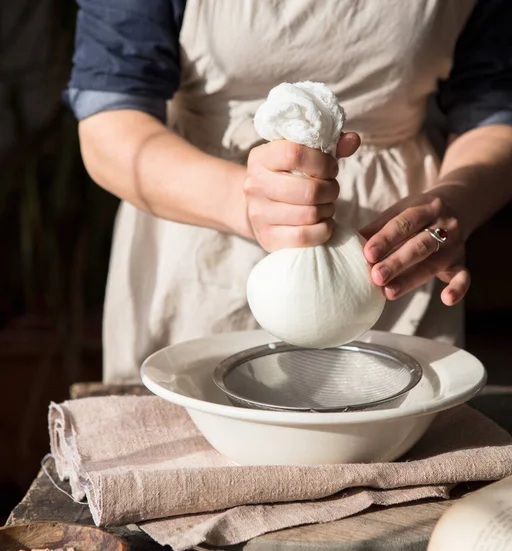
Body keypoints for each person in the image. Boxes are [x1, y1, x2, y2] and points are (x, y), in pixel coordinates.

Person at [67, 0, 512, 383]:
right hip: (198, 238)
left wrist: (458, 198)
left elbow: (492, 109)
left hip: (395, 258)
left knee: (392, 447)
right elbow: (110, 123)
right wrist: (243, 200)